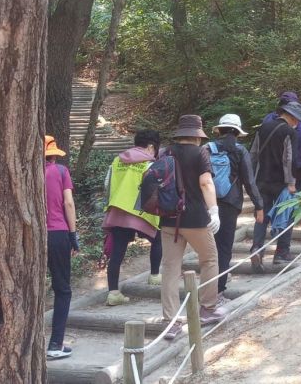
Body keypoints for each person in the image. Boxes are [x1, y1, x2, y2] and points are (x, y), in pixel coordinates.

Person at [160, 115, 224, 339]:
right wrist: (214, 210)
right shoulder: (200, 153)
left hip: (169, 219)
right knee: (209, 259)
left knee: (170, 268)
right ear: (198, 135)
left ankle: (170, 321)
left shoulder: (166, 152)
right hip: (196, 218)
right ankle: (207, 308)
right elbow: (206, 182)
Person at [102, 129, 163, 306]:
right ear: (151, 146)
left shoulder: (116, 161)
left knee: (117, 252)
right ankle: (154, 276)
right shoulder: (150, 164)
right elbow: (154, 190)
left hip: (117, 212)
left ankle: (113, 293)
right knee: (157, 239)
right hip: (142, 213)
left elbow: (107, 184)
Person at [209, 114, 264, 303]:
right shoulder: (240, 151)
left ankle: (207, 288)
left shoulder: (207, 149)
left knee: (210, 249)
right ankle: (218, 293)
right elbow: (249, 181)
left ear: (220, 129)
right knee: (224, 248)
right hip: (229, 204)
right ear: (237, 131)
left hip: (207, 204)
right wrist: (259, 205)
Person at [250, 101, 301, 270]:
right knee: (286, 216)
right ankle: (281, 253)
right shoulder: (289, 132)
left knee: (261, 215)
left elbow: (253, 155)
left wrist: (251, 179)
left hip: (261, 181)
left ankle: (257, 248)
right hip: (281, 183)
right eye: (297, 119)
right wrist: (291, 183)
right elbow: (289, 159)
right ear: (292, 116)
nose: (297, 123)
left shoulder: (262, 128)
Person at [44, 135, 79, 359]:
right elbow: (68, 202)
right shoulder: (60, 171)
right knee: (62, 289)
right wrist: (73, 234)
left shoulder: (23, 172)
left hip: (32, 236)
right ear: (54, 155)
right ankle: (55, 344)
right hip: (57, 233)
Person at [263, 92, 301, 191]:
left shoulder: (268, 118)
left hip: (267, 164)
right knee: (294, 197)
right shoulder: (295, 119)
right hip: (294, 163)